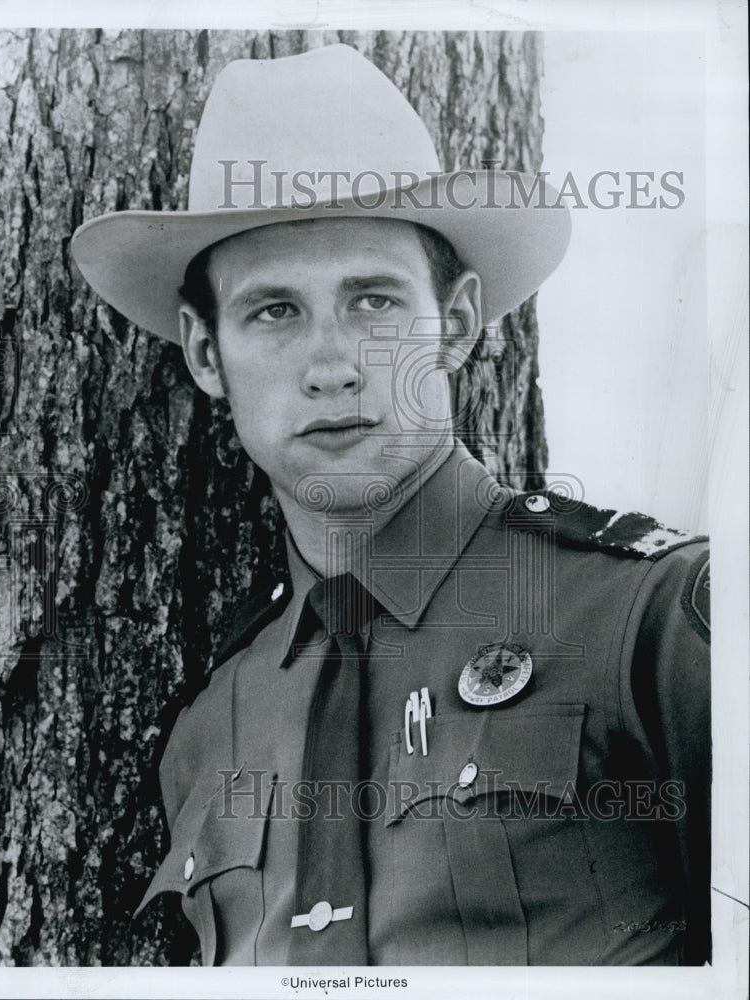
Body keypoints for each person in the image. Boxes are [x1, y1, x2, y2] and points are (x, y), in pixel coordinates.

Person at [72, 43, 710, 966]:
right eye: (273, 312)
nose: (331, 367)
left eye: (372, 302)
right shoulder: (214, 724)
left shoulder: (645, 617)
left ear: (452, 325)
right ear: (206, 357)